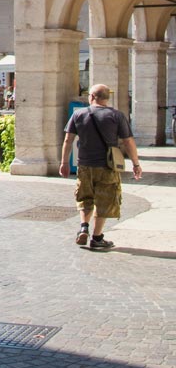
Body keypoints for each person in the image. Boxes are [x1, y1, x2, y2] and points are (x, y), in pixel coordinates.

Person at [60, 83, 142, 250]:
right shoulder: (116, 115)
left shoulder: (79, 114)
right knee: (104, 200)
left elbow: (68, 140)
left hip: (84, 164)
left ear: (91, 97)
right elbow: (128, 141)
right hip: (108, 166)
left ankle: (84, 226)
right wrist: (136, 163)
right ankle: (97, 237)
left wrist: (63, 163)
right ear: (106, 98)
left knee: (84, 197)